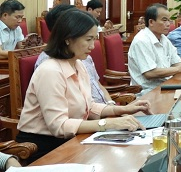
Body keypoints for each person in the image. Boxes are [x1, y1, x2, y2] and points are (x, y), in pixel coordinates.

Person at [17, 10, 150, 164]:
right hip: (43, 147)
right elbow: (59, 126)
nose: (92, 46)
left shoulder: (78, 64)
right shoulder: (50, 71)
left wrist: (121, 110)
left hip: (73, 139)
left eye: (94, 39)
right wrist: (108, 124)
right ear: (68, 39)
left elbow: (89, 106)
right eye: (88, 40)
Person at [35, 5, 115, 104]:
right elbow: (63, 115)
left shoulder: (82, 58)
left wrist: (111, 106)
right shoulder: (48, 66)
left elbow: (97, 85)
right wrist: (106, 118)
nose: (92, 46)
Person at [128, 4, 181, 95]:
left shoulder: (164, 39)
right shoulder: (142, 41)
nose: (168, 24)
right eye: (164, 20)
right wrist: (179, 69)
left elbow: (177, 63)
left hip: (167, 85)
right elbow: (150, 73)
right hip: (148, 92)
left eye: (169, 20)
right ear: (151, 22)